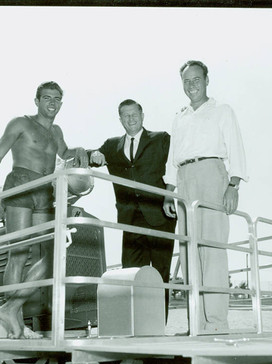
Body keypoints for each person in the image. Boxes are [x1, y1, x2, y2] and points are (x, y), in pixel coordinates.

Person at [0, 81, 89, 339]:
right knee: (18, 252)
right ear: (37, 100)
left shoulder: (57, 132)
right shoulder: (20, 123)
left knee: (53, 255)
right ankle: (16, 323)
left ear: (61, 103)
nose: (52, 102)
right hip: (20, 184)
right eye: (47, 97)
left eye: (57, 98)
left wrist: (82, 150)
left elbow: (65, 152)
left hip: (44, 190)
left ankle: (10, 307)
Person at [162, 60, 247, 334]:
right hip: (185, 179)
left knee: (211, 251)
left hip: (212, 173)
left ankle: (217, 324)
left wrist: (233, 185)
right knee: (188, 253)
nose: (192, 85)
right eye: (186, 81)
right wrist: (169, 192)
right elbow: (172, 159)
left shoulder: (222, 110)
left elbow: (236, 148)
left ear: (207, 80)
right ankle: (195, 325)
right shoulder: (180, 116)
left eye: (196, 79)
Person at [89, 99, 176, 320]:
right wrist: (94, 155)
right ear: (120, 119)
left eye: (134, 114)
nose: (131, 119)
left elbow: (175, 169)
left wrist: (168, 197)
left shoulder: (161, 138)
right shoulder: (111, 145)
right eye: (125, 115)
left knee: (159, 274)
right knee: (132, 275)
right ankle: (137, 324)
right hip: (130, 220)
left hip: (159, 215)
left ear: (142, 114)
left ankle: (158, 325)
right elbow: (92, 156)